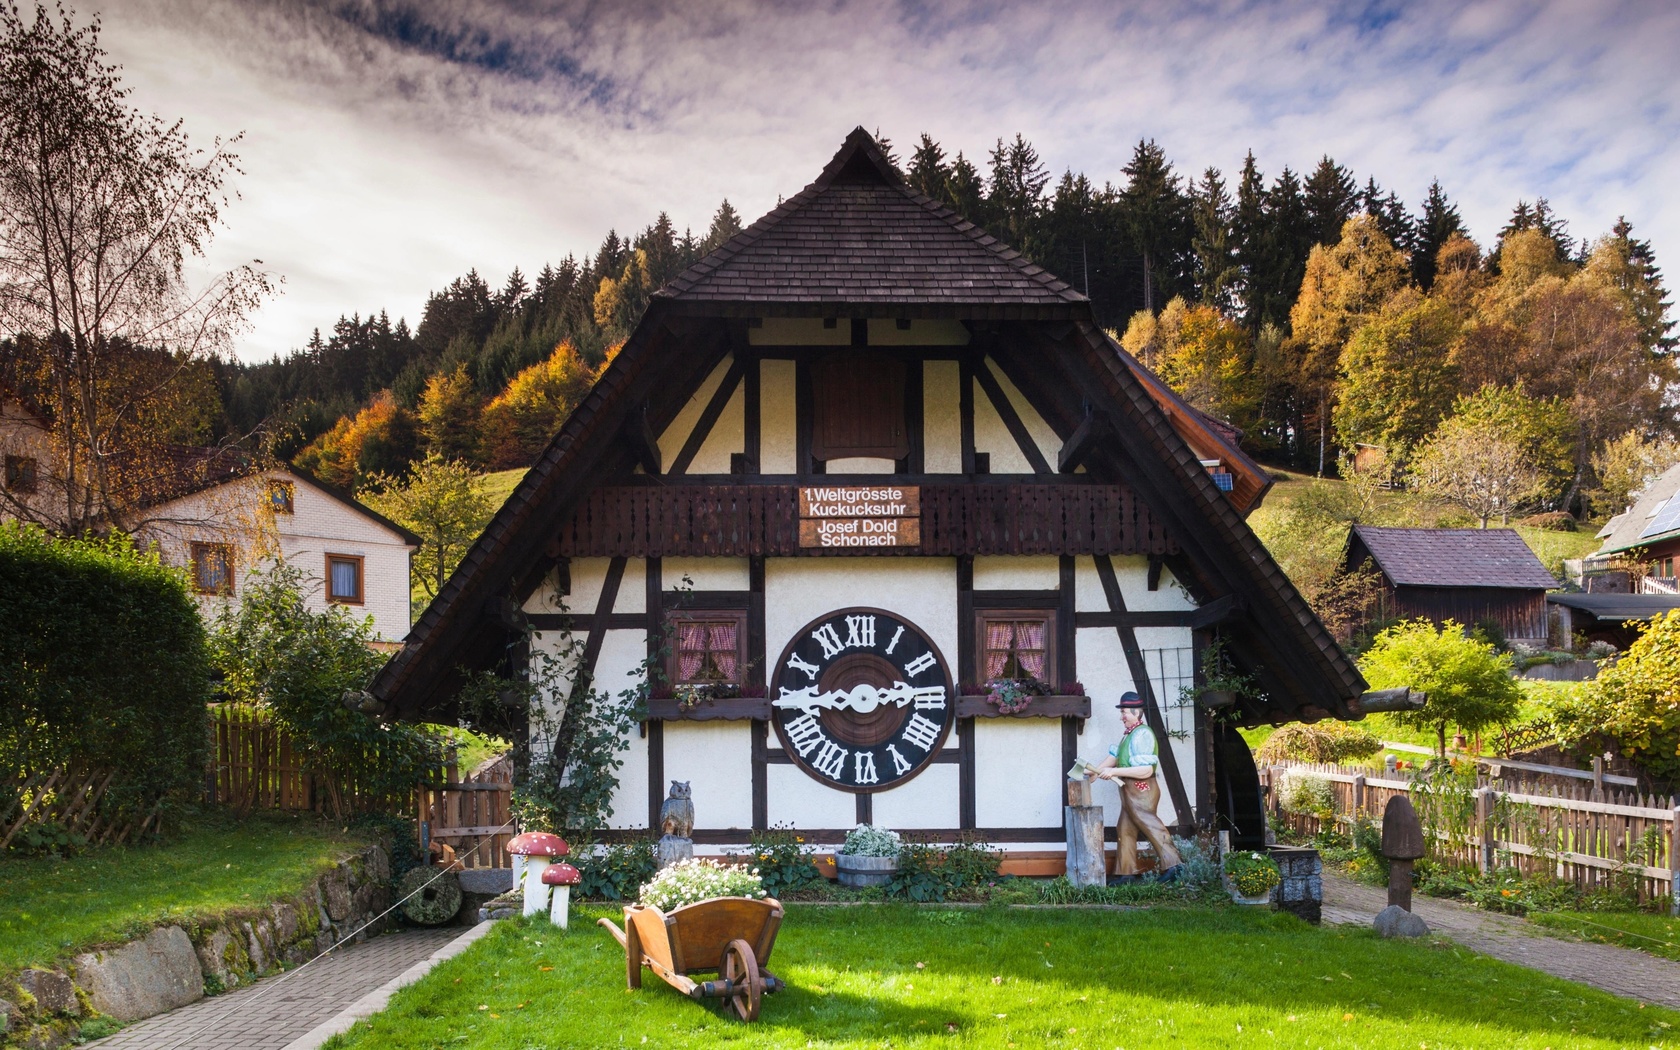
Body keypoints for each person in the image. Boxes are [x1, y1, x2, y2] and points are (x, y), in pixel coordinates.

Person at [1090, 691, 1182, 881]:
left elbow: (1146, 770)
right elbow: (1114, 757)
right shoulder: (1129, 734)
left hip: (1142, 790)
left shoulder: (1143, 734)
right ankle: (1127, 872)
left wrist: (1113, 772)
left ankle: (1175, 866)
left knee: (1150, 825)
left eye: (1124, 712)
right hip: (1128, 791)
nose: (1122, 716)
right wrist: (1095, 772)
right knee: (1125, 829)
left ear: (1136, 712)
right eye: (1122, 712)